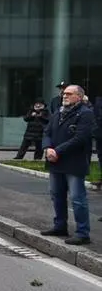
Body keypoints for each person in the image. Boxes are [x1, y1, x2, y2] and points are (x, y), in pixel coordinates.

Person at [40, 85, 94, 245]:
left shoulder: (85, 114)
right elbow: (47, 132)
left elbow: (80, 138)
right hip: (55, 161)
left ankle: (83, 232)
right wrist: (47, 147)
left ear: (79, 96)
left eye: (69, 94)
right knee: (56, 195)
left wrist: (57, 151)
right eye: (64, 94)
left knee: (77, 198)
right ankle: (60, 225)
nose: (65, 96)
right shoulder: (59, 112)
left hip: (73, 163)